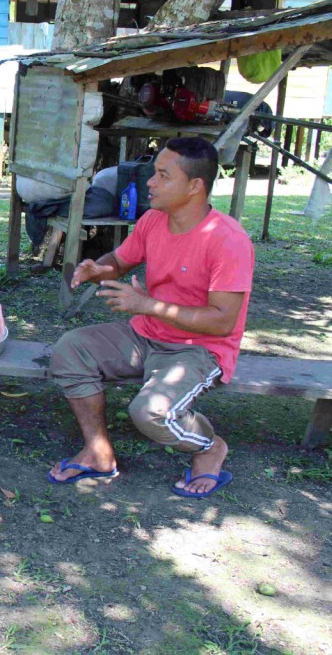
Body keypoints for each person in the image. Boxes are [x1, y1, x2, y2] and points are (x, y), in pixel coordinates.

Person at [48, 137, 254, 498]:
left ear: (195, 186)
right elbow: (121, 260)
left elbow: (223, 322)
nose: (150, 182)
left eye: (162, 175)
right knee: (70, 349)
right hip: (144, 336)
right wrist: (98, 269)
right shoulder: (153, 220)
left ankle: (209, 447)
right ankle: (97, 452)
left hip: (199, 350)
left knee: (150, 413)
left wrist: (148, 306)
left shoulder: (228, 240)